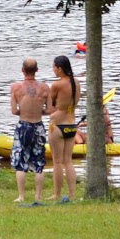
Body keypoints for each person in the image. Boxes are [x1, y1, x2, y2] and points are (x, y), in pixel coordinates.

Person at [9, 58, 50, 204]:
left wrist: (23, 110)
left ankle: (21, 196)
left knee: (21, 162)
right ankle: (38, 196)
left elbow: (14, 111)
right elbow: (50, 109)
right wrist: (40, 111)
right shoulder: (45, 88)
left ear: (22, 70)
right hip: (38, 126)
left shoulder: (16, 87)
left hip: (23, 126)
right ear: (37, 70)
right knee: (39, 162)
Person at [48, 54, 80, 204]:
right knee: (68, 161)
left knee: (57, 162)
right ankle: (73, 194)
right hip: (71, 124)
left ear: (59, 69)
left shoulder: (57, 85)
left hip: (58, 125)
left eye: (54, 67)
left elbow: (50, 102)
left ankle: (57, 194)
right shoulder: (77, 83)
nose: (53, 70)